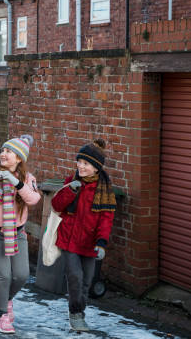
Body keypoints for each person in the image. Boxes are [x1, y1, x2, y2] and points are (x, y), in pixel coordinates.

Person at [0, 135, 41, 334]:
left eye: (8, 152)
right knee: (4, 276)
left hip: (18, 233)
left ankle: (7, 299)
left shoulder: (28, 179)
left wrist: (17, 184)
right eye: (3, 151)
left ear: (19, 158)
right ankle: (2, 316)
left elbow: (34, 199)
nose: (3, 154)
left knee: (21, 275)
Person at [51, 139, 116, 332]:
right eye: (79, 162)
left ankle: (80, 312)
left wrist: (102, 242)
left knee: (87, 281)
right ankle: (75, 314)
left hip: (90, 243)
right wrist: (70, 190)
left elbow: (106, 218)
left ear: (96, 167)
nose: (80, 166)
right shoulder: (72, 182)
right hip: (69, 240)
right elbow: (56, 205)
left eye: (85, 163)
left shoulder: (104, 190)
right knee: (75, 277)